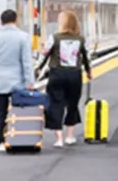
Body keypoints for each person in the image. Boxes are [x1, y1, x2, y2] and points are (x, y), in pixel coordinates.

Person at [37, 11, 93, 148]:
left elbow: (44, 56)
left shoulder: (54, 38)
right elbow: (86, 57)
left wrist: (37, 69)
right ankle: (70, 136)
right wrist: (88, 72)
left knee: (56, 104)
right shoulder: (81, 39)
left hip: (57, 74)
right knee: (72, 105)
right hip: (74, 75)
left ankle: (59, 138)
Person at [0, 9, 35, 148]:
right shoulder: (23, 37)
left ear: (1, 22)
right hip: (18, 82)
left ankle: (0, 141)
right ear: (15, 20)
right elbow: (27, 62)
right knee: (20, 111)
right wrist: (30, 82)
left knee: (1, 112)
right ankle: (19, 139)